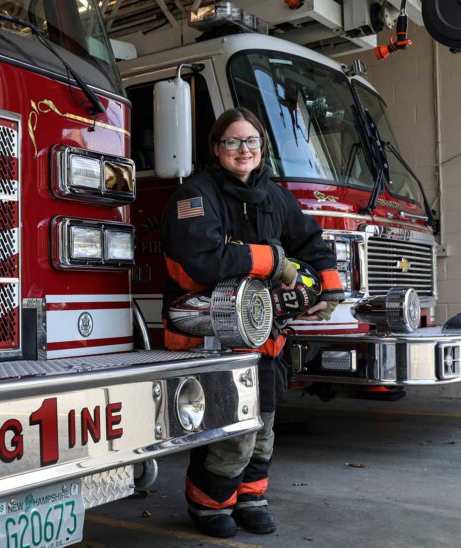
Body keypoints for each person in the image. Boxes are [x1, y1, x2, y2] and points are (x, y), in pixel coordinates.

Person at [161, 107, 344, 538]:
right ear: (216, 148)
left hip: (266, 334)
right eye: (233, 142)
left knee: (262, 425)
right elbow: (202, 261)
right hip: (211, 334)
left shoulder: (273, 194)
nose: (244, 150)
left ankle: (251, 497)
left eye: (252, 142)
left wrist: (330, 289)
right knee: (230, 429)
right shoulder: (194, 197)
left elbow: (311, 240)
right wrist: (275, 262)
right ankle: (209, 506)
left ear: (261, 149)